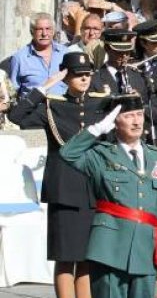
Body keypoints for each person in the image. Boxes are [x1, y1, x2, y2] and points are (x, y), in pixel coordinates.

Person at [8, 52, 109, 298]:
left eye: (87, 74)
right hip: (65, 188)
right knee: (66, 257)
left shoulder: (100, 104)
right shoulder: (52, 105)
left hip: (93, 188)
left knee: (87, 257)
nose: (84, 78)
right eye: (77, 74)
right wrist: (43, 88)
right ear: (66, 76)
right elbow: (16, 116)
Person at [59, 95, 157, 298]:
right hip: (109, 248)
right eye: (128, 116)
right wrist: (96, 130)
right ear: (114, 122)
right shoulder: (100, 155)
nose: (136, 121)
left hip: (146, 249)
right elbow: (68, 154)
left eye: (139, 114)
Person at [8, 12, 69, 98]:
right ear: (32, 32)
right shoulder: (20, 58)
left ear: (53, 31)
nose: (44, 33)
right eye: (39, 29)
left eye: (48, 28)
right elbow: (12, 93)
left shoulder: (66, 53)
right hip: (33, 109)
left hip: (62, 108)